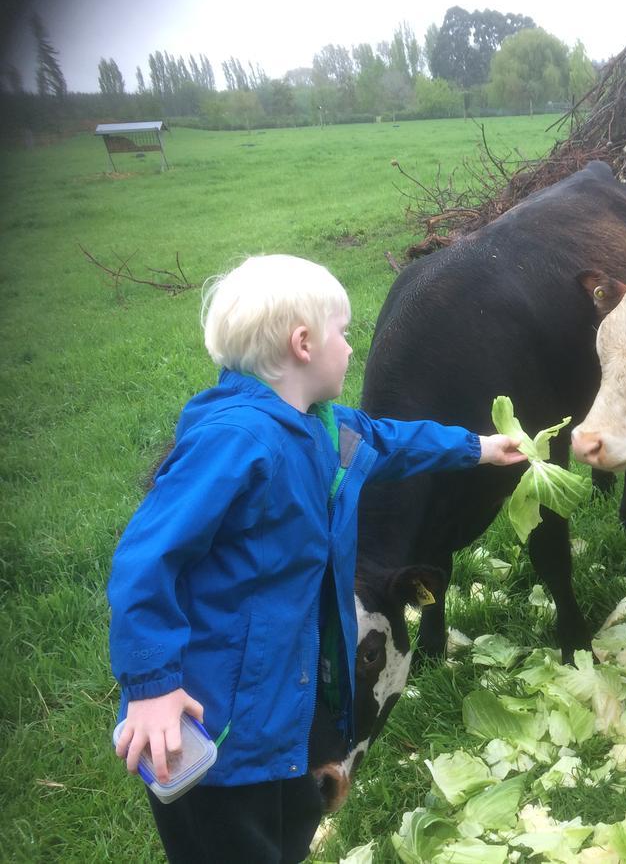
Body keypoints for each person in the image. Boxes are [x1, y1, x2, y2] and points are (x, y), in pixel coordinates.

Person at [108, 254, 525, 863]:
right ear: (303, 344)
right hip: (212, 728)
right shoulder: (237, 441)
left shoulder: (323, 427)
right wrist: (151, 687)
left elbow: (390, 439)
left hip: (282, 708)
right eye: (344, 332)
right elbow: (146, 559)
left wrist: (477, 447)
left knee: (288, 834)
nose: (352, 347)